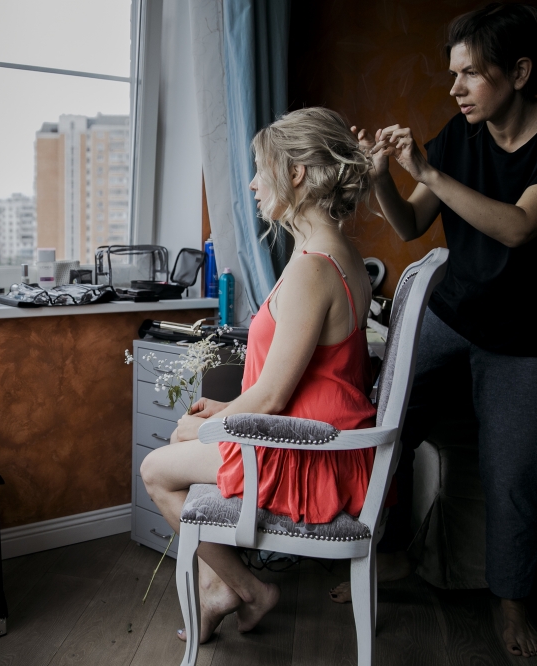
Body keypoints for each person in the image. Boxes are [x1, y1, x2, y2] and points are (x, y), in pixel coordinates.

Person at [334, 3, 537, 658]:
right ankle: (392, 550)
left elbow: (519, 226)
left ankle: (511, 599)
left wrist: (428, 170)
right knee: (385, 421)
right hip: (454, 311)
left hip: (533, 334)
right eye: (452, 73)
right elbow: (408, 225)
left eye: (470, 74)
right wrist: (384, 179)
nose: (454, 88)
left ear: (520, 72)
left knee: (514, 472)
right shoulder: (462, 133)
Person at [140, 106, 378, 644]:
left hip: (309, 453)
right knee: (182, 445)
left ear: (295, 172)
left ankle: (244, 589)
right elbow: (291, 381)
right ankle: (221, 589)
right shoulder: (335, 252)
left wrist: (210, 428)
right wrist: (225, 413)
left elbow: (270, 398)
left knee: (156, 469)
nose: (252, 183)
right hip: (317, 436)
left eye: (260, 169)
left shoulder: (313, 267)